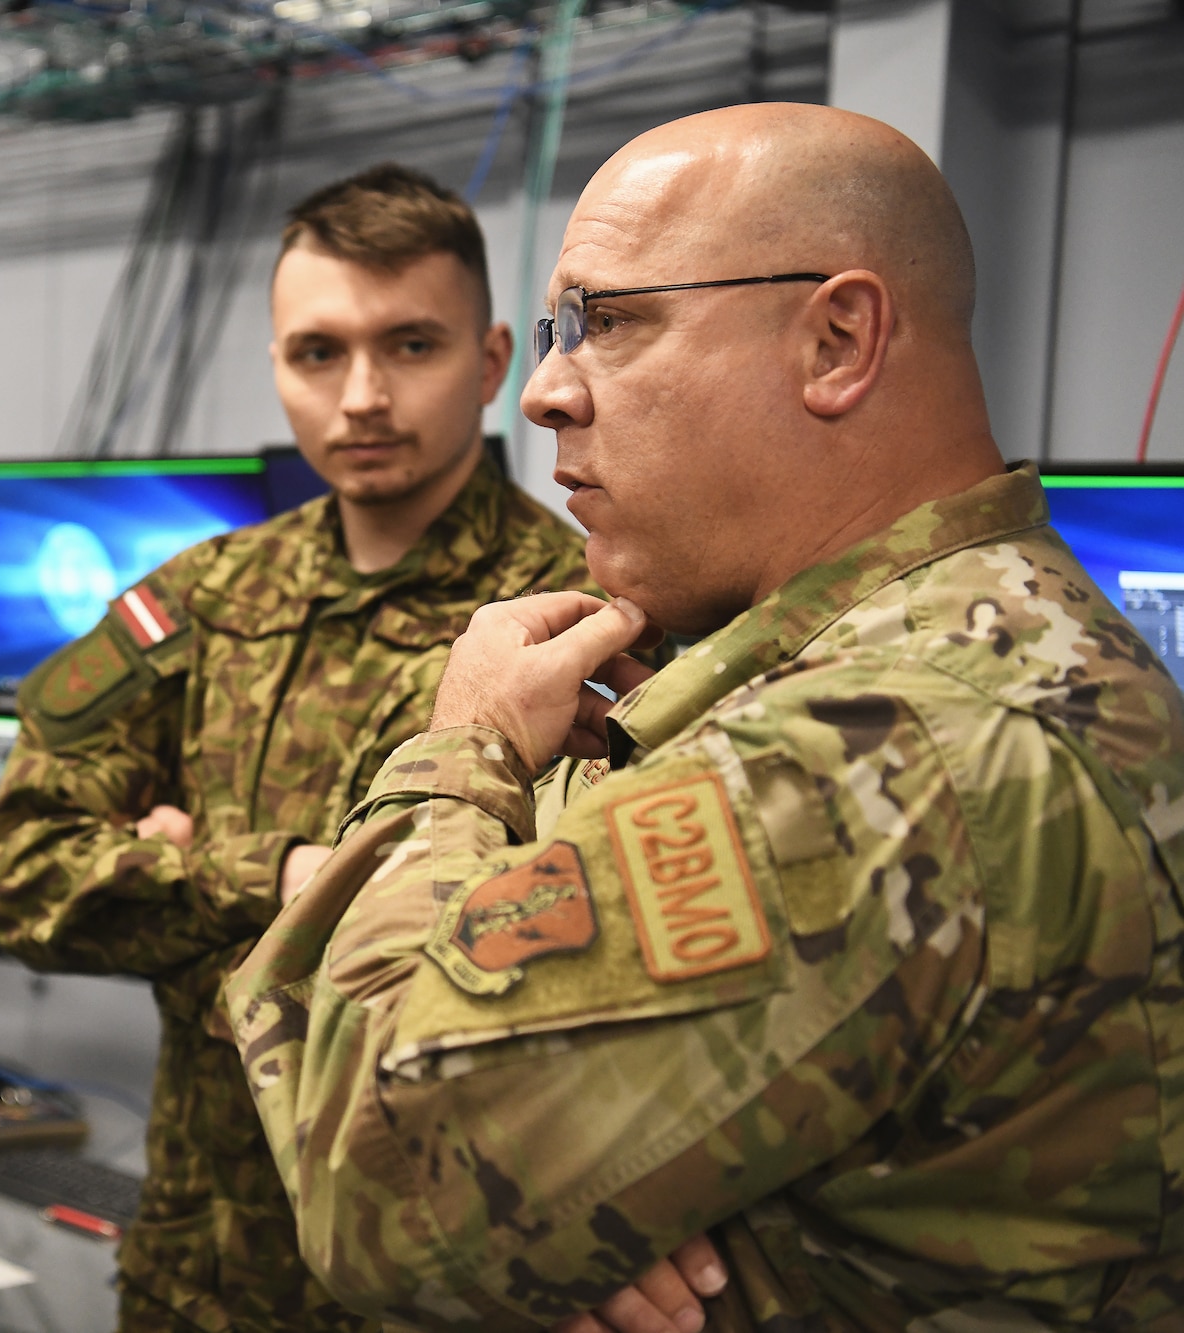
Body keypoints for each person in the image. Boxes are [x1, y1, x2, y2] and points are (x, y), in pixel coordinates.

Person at [225, 102, 1184, 1329]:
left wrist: (456, 752)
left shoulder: (870, 750)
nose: (545, 394)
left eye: (609, 323)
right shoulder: (991, 632)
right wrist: (573, 1210)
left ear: (836, 340)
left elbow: (374, 1178)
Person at [0, 165, 716, 1333]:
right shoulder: (202, 599)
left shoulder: (584, 621)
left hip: (451, 1282)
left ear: (486, 366)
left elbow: (614, 977)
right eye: (316, 353)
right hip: (199, 1276)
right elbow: (22, 872)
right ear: (277, 367)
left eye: (408, 346)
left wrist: (176, 878)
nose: (360, 395)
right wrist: (279, 878)